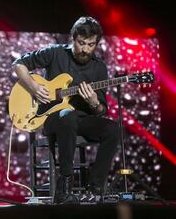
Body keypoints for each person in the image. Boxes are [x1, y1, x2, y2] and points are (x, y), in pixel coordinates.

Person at [12, 16, 120, 204]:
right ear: (73, 37)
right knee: (67, 116)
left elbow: (101, 111)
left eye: (91, 44)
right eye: (81, 43)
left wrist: (94, 102)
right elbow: (18, 64)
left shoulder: (99, 69)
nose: (85, 49)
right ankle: (65, 186)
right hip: (50, 117)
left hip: (81, 120)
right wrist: (34, 88)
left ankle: (94, 187)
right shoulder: (55, 53)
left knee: (113, 129)